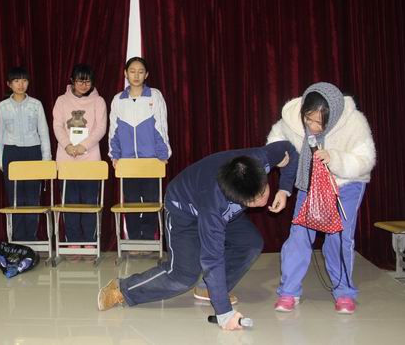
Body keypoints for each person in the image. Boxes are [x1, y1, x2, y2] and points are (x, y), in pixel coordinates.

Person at [98, 141, 298, 331]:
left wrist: (284, 189)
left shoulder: (260, 159)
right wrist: (224, 313)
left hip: (215, 207)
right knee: (183, 276)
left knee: (250, 243)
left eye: (264, 190)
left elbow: (289, 149)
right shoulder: (214, 205)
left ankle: (208, 289)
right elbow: (212, 258)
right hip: (183, 210)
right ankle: (123, 289)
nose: (263, 200)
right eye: (254, 200)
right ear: (235, 197)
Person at [267, 82, 376, 314]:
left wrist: (334, 158)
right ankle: (288, 292)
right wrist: (279, 156)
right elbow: (275, 140)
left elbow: (366, 159)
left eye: (320, 122)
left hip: (346, 184)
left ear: (333, 116)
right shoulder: (292, 119)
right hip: (310, 183)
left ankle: (344, 292)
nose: (313, 126)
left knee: (339, 238)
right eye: (309, 119)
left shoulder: (354, 122)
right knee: (299, 236)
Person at [109, 57, 171, 242]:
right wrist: (115, 155)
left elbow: (161, 126)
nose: (136, 75)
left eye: (141, 71)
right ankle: (134, 240)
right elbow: (113, 130)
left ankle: (149, 239)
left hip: (151, 161)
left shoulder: (154, 96)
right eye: (132, 71)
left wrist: (163, 154)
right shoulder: (118, 100)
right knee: (131, 203)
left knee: (152, 202)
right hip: (127, 163)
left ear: (146, 74)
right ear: (125, 74)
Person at [52, 64, 107, 245]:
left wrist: (84, 146)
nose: (84, 85)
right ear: (72, 81)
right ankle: (73, 241)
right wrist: (67, 145)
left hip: (90, 159)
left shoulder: (99, 101)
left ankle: (90, 241)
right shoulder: (61, 101)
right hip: (66, 158)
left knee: (90, 202)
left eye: (87, 81)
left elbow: (101, 127)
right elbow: (57, 125)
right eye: (80, 81)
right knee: (69, 202)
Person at [0, 67, 51, 241]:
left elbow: (44, 132)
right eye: (16, 81)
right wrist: (1, 161)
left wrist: (46, 159)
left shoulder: (36, 104)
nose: (21, 84)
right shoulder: (2, 106)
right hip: (11, 153)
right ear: (9, 84)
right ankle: (18, 239)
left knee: (33, 197)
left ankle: (31, 238)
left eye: (24, 80)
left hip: (33, 151)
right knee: (15, 198)